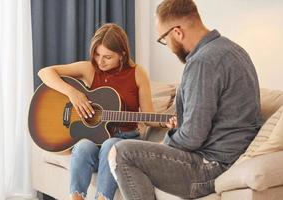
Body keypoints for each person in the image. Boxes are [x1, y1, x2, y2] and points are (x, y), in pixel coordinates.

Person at [108, 0, 263, 199]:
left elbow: (192, 137)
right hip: (230, 158)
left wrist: (166, 143)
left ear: (177, 32)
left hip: (212, 166)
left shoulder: (203, 62)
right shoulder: (234, 50)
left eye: (164, 38)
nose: (168, 46)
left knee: (120, 152)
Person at [38, 23, 154, 200]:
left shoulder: (138, 73)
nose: (100, 61)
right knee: (83, 146)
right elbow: (45, 73)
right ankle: (75, 197)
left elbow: (150, 116)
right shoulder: (89, 69)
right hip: (94, 141)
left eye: (107, 57)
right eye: (97, 54)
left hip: (124, 142)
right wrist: (73, 93)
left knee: (110, 145)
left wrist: (166, 121)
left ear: (122, 54)